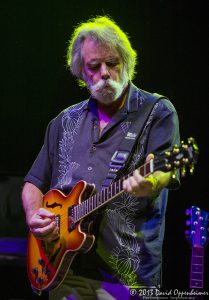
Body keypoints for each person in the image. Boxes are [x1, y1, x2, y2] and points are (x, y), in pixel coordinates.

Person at [22, 16, 180, 300]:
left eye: (113, 63)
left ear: (127, 64)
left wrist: (151, 182)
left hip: (126, 279)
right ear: (81, 72)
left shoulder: (157, 112)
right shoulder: (64, 121)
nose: (105, 73)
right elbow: (33, 183)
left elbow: (164, 170)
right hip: (63, 270)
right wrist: (35, 216)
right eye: (94, 66)